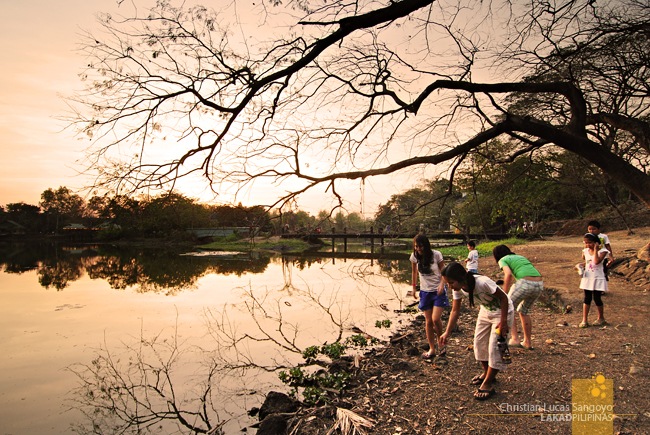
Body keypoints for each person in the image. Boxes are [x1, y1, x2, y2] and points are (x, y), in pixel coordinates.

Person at [439, 262, 514, 400]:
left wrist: (503, 322)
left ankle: (488, 383)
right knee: (479, 344)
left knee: (495, 347)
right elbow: (455, 311)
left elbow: (503, 298)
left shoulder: (483, 282)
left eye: (451, 282)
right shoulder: (459, 289)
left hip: (503, 312)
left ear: (462, 278)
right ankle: (487, 373)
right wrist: (447, 332)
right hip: (486, 311)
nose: (450, 287)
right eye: (447, 283)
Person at [492, 245, 543, 350]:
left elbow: (508, 274)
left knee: (509, 307)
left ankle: (514, 339)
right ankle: (527, 342)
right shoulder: (520, 257)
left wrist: (504, 294)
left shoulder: (503, 259)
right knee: (524, 311)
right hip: (539, 284)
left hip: (524, 283)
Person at [410, 234, 447, 359]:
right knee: (428, 321)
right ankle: (432, 349)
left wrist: (442, 284)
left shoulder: (436, 255)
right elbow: (414, 272)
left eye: (420, 246)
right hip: (425, 292)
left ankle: (441, 343)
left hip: (438, 291)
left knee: (436, 319)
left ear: (426, 245)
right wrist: (414, 288)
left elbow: (444, 271)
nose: (418, 249)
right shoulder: (415, 256)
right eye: (416, 247)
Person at [579, 233, 609, 327]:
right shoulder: (585, 251)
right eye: (586, 243)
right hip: (588, 277)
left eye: (590, 243)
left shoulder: (603, 251)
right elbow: (586, 261)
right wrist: (580, 266)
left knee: (597, 298)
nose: (588, 245)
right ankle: (584, 320)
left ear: (596, 242)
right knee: (587, 298)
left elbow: (596, 262)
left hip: (598, 277)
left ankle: (601, 318)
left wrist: (595, 250)